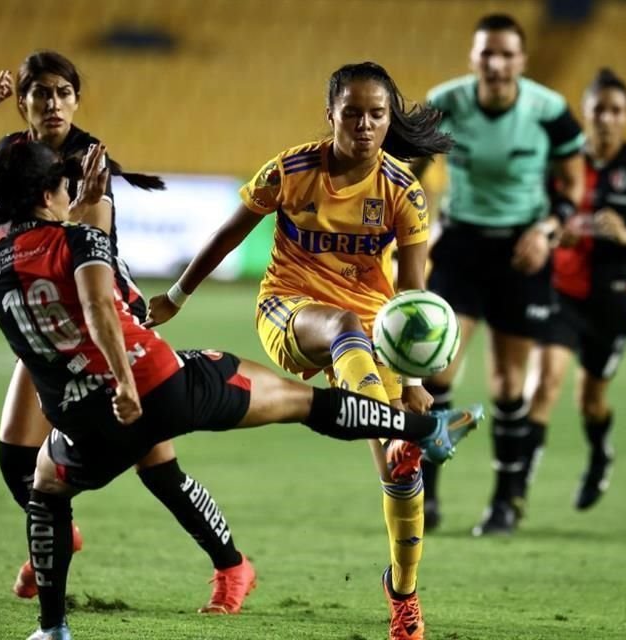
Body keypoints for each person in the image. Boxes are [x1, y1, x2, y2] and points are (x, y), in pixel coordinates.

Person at [0, 140, 475, 640]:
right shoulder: (78, 241)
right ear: (45, 193)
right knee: (303, 403)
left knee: (47, 491)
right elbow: (100, 302)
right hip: (163, 387)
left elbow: (51, 289)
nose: (68, 194)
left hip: (86, 424)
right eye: (62, 187)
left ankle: (52, 628)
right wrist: (125, 375)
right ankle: (421, 429)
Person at [145, 61, 478, 640]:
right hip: (291, 311)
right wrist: (176, 297)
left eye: (377, 114)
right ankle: (401, 430)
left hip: (375, 330)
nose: (366, 125)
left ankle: (403, 593)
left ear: (388, 118)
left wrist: (419, 377)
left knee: (402, 480)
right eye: (352, 114)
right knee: (348, 330)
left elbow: (414, 297)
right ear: (331, 116)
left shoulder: (403, 190)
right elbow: (230, 233)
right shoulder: (293, 170)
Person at [0, 51, 249, 614]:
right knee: (15, 458)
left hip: (103, 320)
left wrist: (15, 254)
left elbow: (89, 240)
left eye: (64, 92)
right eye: (42, 93)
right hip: (48, 323)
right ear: (23, 103)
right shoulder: (18, 156)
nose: (53, 103)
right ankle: (57, 536)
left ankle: (232, 567)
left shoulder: (87, 159)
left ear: (76, 100)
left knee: (157, 466)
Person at [410, 14, 585, 535]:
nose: (496, 63)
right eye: (487, 53)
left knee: (509, 385)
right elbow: (409, 174)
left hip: (522, 252)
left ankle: (507, 501)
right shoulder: (445, 102)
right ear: (473, 58)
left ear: (522, 61)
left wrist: (548, 229)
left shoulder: (549, 110)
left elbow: (572, 185)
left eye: (507, 54)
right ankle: (428, 498)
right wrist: (416, 228)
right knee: (434, 374)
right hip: (461, 246)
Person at [528, 67, 626, 511]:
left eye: (616, 110)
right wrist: (557, 233)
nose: (607, 118)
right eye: (598, 110)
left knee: (590, 399)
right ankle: (516, 489)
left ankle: (599, 455)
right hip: (562, 293)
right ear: (585, 114)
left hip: (613, 299)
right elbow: (542, 218)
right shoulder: (564, 164)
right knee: (545, 386)